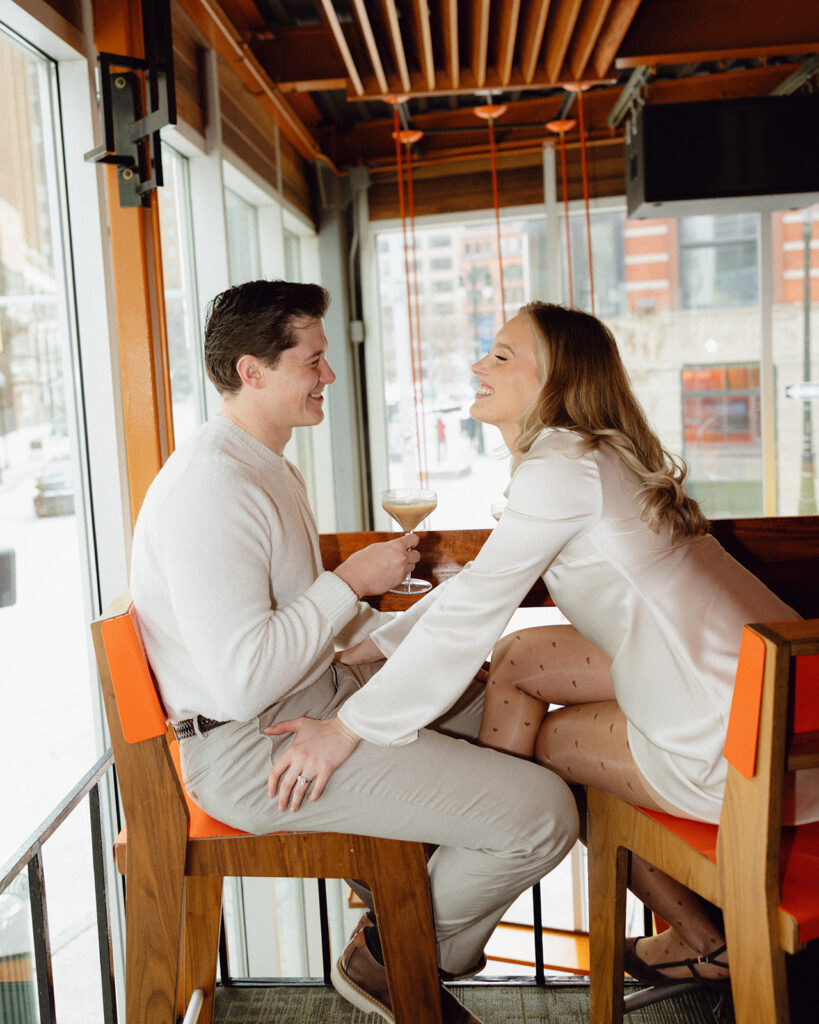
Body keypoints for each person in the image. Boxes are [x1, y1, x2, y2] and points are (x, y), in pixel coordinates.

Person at [269, 301, 819, 991]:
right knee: (521, 660)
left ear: (556, 377)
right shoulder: (591, 454)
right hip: (773, 706)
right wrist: (368, 647)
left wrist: (347, 727)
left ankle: (435, 918)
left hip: (737, 748)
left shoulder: (563, 467)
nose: (478, 365)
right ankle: (473, 866)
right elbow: (480, 587)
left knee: (548, 757)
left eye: (501, 355)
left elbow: (475, 605)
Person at [129, 280, 580, 1024]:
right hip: (253, 749)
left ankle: (407, 919)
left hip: (312, 699)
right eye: (312, 361)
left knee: (533, 726)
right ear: (253, 372)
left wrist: (414, 626)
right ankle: (393, 953)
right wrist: (349, 582)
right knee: (541, 813)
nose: (328, 376)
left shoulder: (265, 466)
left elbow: (305, 638)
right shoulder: (211, 488)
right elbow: (244, 683)